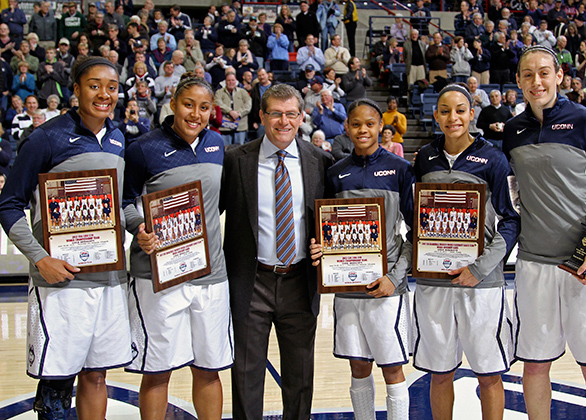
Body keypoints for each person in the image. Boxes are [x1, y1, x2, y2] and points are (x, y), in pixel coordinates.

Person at [0, 56, 130, 420]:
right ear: (75, 89)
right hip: (60, 281)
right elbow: (8, 204)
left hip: (107, 278)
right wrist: (41, 259)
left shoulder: (119, 138)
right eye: (94, 85)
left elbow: (122, 203)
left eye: (112, 87)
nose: (104, 94)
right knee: (57, 383)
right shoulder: (46, 137)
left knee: (97, 374)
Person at [504, 45, 586, 420]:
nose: (536, 81)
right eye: (528, 74)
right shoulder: (513, 131)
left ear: (559, 76)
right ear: (519, 82)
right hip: (532, 266)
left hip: (584, 265)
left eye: (544, 72)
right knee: (535, 365)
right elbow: (512, 198)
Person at [123, 72, 232, 420]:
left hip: (209, 275)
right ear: (172, 104)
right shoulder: (143, 148)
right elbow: (125, 201)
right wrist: (139, 227)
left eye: (203, 107)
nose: (195, 114)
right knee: (157, 370)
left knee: (208, 368)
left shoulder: (217, 145)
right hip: (158, 276)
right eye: (188, 105)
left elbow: (221, 203)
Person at [220, 83, 333, 420]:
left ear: (301, 117)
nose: (283, 121)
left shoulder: (321, 161)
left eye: (291, 114)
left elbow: (334, 219)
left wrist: (330, 245)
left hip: (300, 281)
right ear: (262, 117)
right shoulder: (235, 160)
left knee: (300, 377)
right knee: (246, 375)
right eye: (276, 114)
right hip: (251, 281)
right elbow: (211, 213)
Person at [414, 83, 519, 420]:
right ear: (435, 115)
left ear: (472, 113)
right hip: (435, 282)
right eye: (445, 110)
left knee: (488, 373)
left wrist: (480, 268)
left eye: (460, 110)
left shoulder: (494, 158)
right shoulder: (424, 157)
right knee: (440, 372)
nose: (453, 117)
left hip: (481, 282)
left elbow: (512, 220)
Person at [310, 98, 414, 420]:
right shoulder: (336, 173)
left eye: (370, 123)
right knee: (358, 366)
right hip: (347, 290)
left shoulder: (400, 170)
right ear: (347, 127)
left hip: (386, 288)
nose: (363, 130)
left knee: (392, 368)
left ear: (381, 126)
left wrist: (394, 278)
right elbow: (328, 229)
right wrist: (321, 251)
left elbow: (417, 233)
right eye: (356, 124)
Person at [215, 73, 251, 146]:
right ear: (225, 81)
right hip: (225, 126)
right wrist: (230, 111)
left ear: (236, 81)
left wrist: (239, 113)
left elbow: (248, 105)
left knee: (239, 150)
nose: (231, 82)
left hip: (240, 126)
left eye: (233, 80)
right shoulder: (219, 92)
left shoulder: (243, 92)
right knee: (226, 150)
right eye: (228, 80)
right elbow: (217, 103)